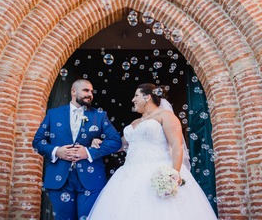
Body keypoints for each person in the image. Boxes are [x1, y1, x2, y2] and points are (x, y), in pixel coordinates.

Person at [87, 83, 217, 219]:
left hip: (158, 171)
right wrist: (101, 143)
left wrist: (174, 174)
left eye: (136, 95)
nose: (133, 100)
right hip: (129, 174)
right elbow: (120, 145)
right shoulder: (135, 122)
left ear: (147, 97)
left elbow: (176, 144)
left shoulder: (165, 116)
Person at [32, 79, 122, 220]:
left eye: (91, 91)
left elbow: (115, 141)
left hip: (90, 180)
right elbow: (37, 141)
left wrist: (87, 152)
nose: (90, 94)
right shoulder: (53, 114)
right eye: (86, 90)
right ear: (73, 91)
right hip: (60, 179)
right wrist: (57, 151)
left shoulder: (99, 116)